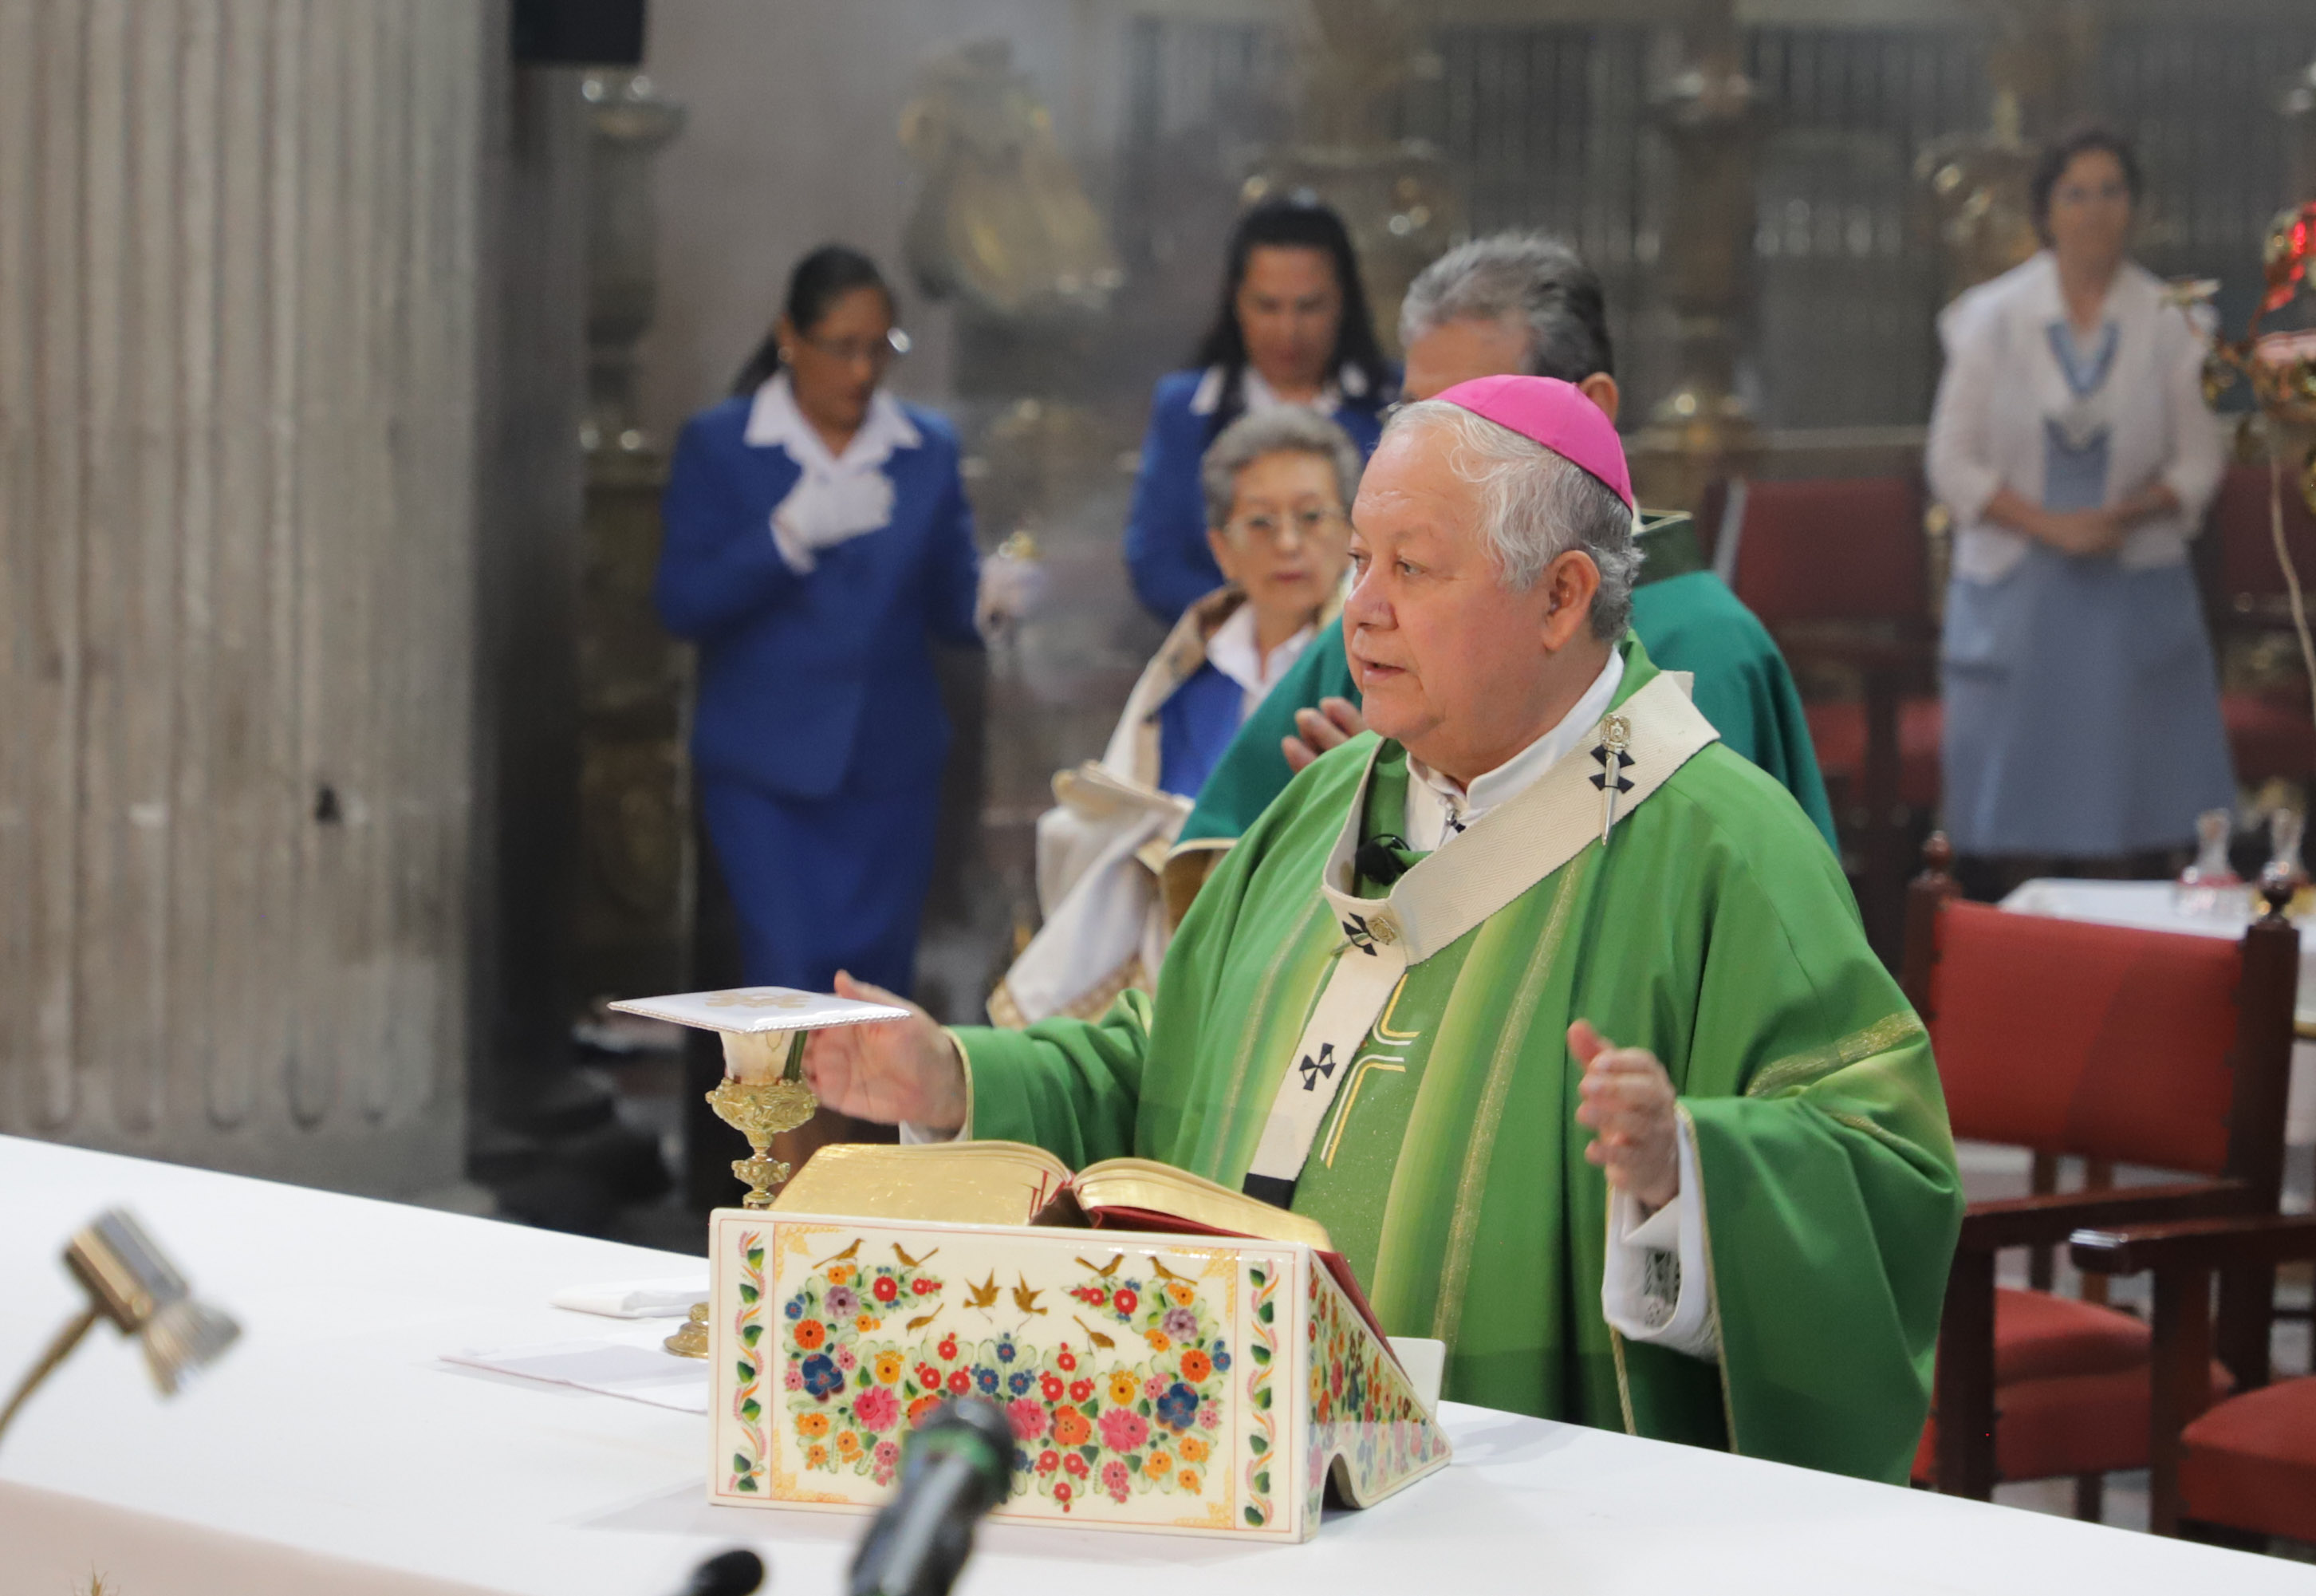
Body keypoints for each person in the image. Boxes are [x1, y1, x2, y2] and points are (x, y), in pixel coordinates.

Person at [807, 376, 1960, 1484]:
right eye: (1361, 559)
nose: (1358, 607)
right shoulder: (1327, 801)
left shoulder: (1720, 846)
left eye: (1411, 568)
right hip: (1223, 1448)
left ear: (1561, 598)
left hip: (1519, 1511)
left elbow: (1888, 1174)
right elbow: (1172, 1062)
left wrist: (1688, 1174)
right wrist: (953, 1076)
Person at [1168, 233, 1834, 912]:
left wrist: (1393, 813)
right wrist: (1339, 816)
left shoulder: (1707, 648)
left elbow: (1683, 935)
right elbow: (1225, 863)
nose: (1423, 449)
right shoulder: (1378, 612)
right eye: (1412, 414)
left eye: (1471, 418)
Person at [656, 245, 981, 998]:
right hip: (767, 771)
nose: (863, 373)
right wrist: (785, 537)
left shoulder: (924, 450)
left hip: (888, 772)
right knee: (787, 985)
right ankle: (780, 1122)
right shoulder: (723, 446)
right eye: (842, 349)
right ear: (789, 339)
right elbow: (682, 601)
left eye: (880, 350)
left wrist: (991, 602)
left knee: (872, 994)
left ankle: (855, 1127)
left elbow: (950, 605)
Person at [990, 410, 1361, 1027]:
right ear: (1221, 548)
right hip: (1178, 955)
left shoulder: (1365, 658)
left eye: (1313, 516)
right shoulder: (1187, 671)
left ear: (1353, 529)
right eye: (1261, 522)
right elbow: (1107, 822)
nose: (1290, 543)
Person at [1926, 128, 2231, 876]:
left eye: (2111, 192)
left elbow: (2201, 459)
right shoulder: (1992, 317)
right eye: (2076, 193)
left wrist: (2121, 517)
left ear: (2135, 208)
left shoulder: (2174, 319)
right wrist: (2052, 527)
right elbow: (1951, 463)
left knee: (2136, 809)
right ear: (2047, 212)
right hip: (2017, 593)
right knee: (2012, 820)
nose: (2095, 210)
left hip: (2133, 587)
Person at [1125, 197, 1394, 625]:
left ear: (1343, 302)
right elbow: (1156, 563)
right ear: (1236, 302)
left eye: (1309, 306)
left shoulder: (1393, 405)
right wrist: (1263, 627)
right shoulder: (1186, 408)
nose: (1288, 331)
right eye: (1268, 306)